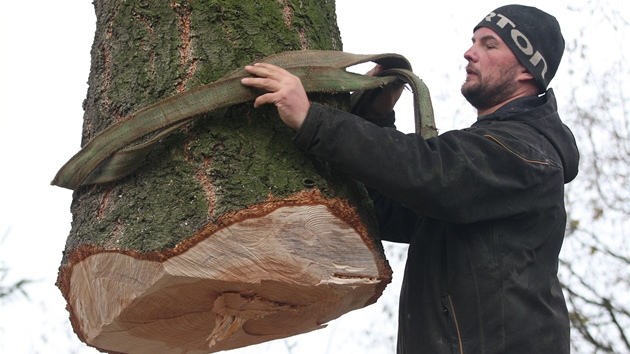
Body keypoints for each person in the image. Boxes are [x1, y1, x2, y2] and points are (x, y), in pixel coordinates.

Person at [241, 4, 579, 353]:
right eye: (473, 41)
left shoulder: (526, 153)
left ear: (526, 69)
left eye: (489, 45)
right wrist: (376, 115)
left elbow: (433, 174)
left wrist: (312, 119)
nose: (469, 52)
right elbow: (390, 210)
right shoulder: (488, 162)